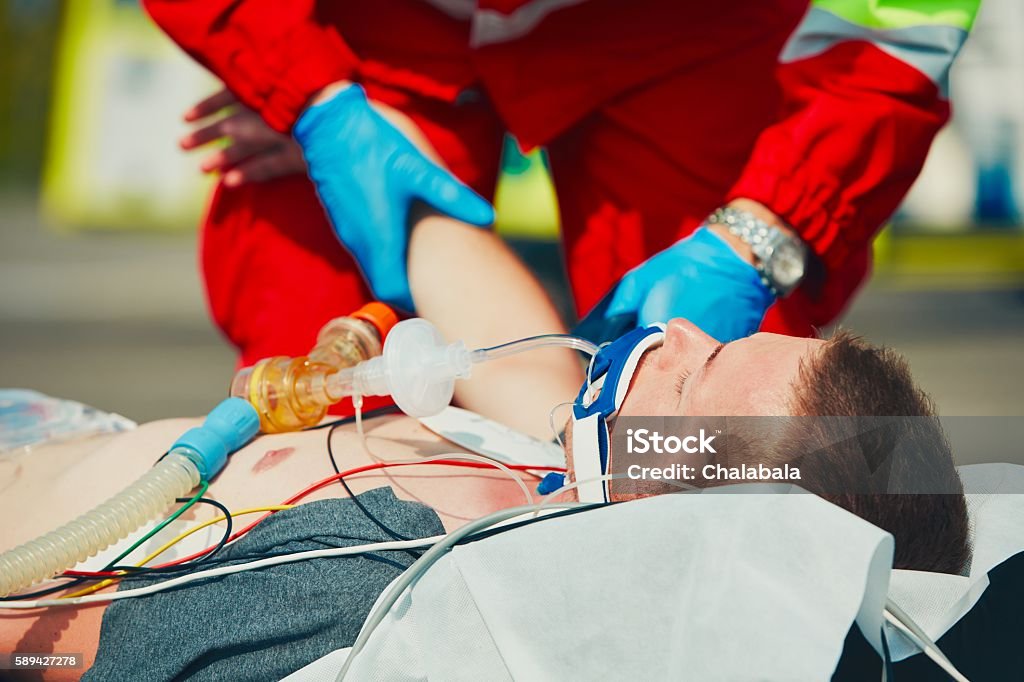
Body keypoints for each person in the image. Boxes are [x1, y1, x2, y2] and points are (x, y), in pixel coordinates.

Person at [0, 312, 972, 680]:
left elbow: (63, 643)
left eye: (694, 369)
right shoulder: (546, 462)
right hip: (61, 431)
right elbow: (488, 311)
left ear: (672, 516)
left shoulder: (374, 575)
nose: (672, 327)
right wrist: (339, 119)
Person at [144, 0, 981, 366]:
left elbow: (897, 18)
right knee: (317, 387)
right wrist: (306, 84)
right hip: (376, 17)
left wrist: (769, 225)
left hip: (681, 20)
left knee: (726, 416)